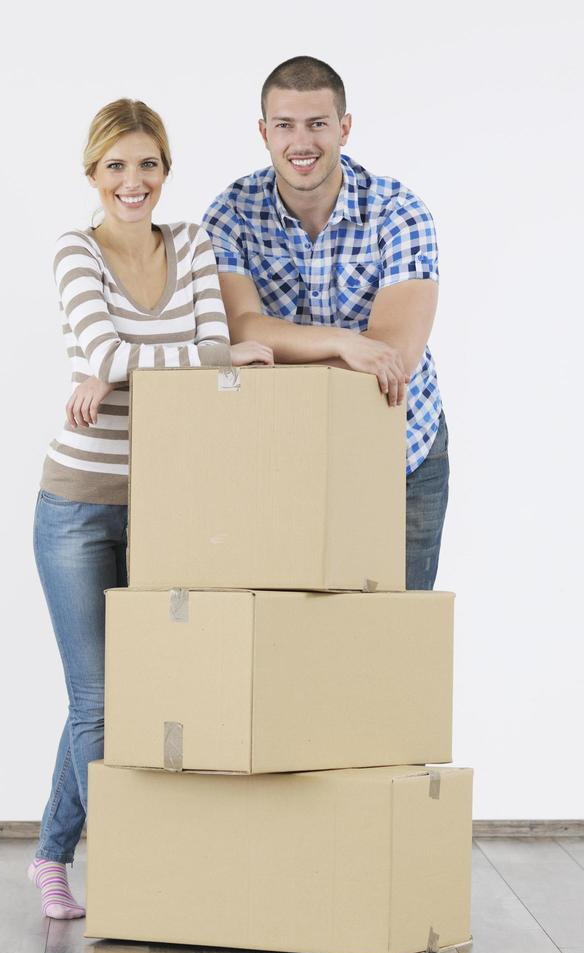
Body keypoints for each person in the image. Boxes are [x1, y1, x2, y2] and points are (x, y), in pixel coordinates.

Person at [28, 98, 272, 919]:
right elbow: (143, 352)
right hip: (77, 505)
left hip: (168, 501)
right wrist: (182, 358)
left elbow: (207, 356)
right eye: (116, 167)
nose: (133, 183)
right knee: (99, 702)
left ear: (165, 170)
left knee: (135, 693)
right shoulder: (74, 249)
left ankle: (50, 854)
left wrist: (136, 366)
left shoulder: (194, 242)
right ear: (92, 174)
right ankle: (135, 877)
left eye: (148, 165)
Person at [202, 56, 450, 591]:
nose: (302, 142)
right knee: (290, 640)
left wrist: (284, 348)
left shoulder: (400, 211)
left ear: (344, 127)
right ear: (263, 132)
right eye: (285, 125)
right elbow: (240, 329)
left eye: (317, 123)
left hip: (399, 446)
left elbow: (393, 357)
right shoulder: (230, 213)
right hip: (280, 448)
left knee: (394, 635)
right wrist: (344, 343)